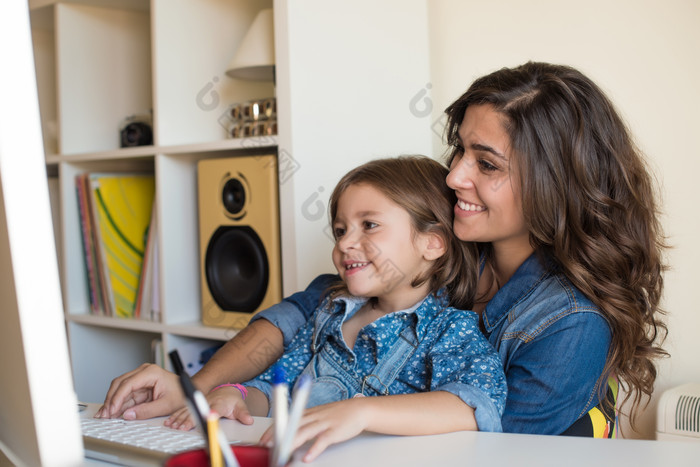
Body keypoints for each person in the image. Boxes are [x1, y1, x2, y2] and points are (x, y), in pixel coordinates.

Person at [98, 61, 667, 438]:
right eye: (460, 152)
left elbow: (489, 438)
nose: (454, 176)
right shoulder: (445, 252)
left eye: (486, 164)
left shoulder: (570, 325)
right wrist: (197, 390)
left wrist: (358, 413)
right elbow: (300, 314)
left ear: (555, 186)